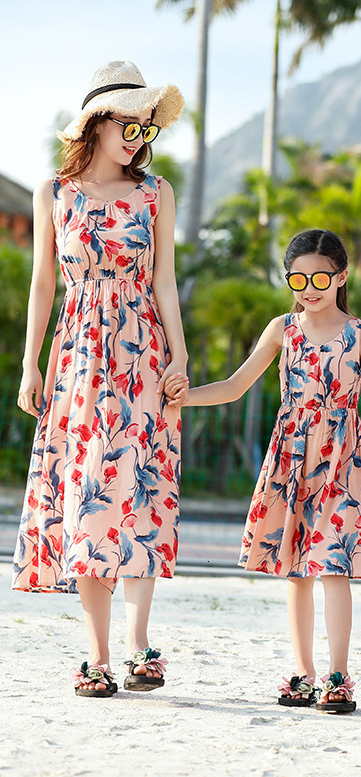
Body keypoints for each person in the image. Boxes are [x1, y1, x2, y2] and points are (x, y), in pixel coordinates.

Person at [164, 229, 361, 713]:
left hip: (341, 461)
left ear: (342, 276)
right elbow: (237, 386)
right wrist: (182, 397)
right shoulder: (283, 329)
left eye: (321, 276)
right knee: (296, 570)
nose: (310, 287)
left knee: (334, 567)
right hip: (290, 458)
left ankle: (338, 677)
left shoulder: (360, 334)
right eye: (297, 278)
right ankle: (303, 674)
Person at [14, 61, 188, 697]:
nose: (139, 138)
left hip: (143, 352)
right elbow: (42, 285)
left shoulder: (156, 193)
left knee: (140, 490)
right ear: (95, 124)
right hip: (80, 357)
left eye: (147, 128)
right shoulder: (53, 193)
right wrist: (29, 364)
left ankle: (141, 644)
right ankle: (97, 656)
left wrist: (180, 356)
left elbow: (165, 281)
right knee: (89, 494)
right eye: (129, 125)